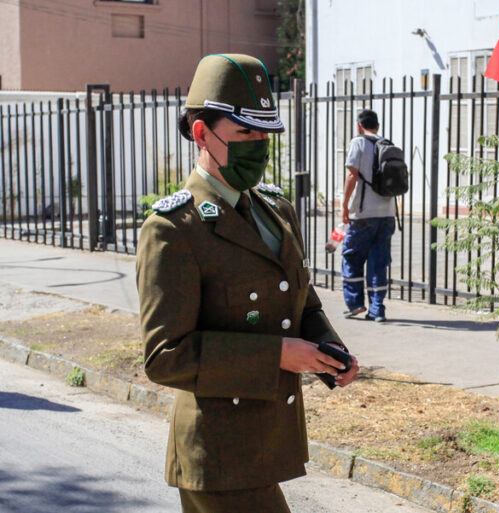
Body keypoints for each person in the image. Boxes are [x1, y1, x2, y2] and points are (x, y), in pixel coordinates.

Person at [136, 53, 359, 513]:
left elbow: (300, 299)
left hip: (266, 442)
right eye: (245, 133)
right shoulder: (174, 228)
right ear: (202, 133)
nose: (259, 145)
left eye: (265, 134)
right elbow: (165, 356)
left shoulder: (275, 210)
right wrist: (276, 355)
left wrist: (328, 352)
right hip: (217, 454)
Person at [340, 109, 396, 322]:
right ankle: (377, 310)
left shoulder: (358, 142)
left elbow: (352, 175)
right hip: (387, 213)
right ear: (378, 126)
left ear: (359, 126)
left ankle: (355, 304)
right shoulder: (387, 144)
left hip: (363, 214)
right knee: (378, 262)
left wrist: (345, 205)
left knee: (352, 257)